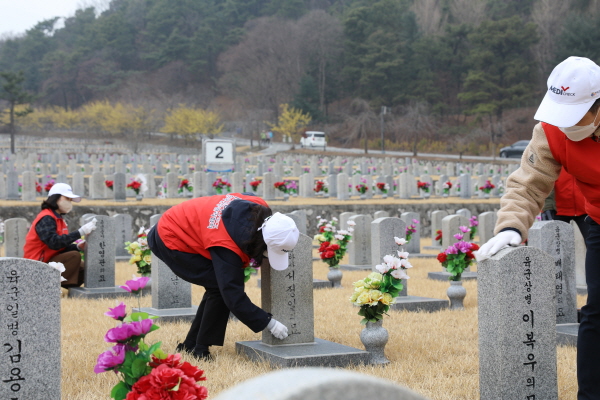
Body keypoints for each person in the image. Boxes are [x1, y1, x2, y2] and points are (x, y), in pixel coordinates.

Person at [476, 56, 600, 400]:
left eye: (575, 116)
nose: (567, 125)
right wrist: (511, 228)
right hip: (599, 221)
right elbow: (527, 184)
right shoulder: (549, 131)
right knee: (597, 312)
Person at [147, 192, 299, 360]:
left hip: (182, 220)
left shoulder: (257, 205)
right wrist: (268, 323)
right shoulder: (228, 246)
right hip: (171, 237)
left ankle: (192, 345)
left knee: (217, 287)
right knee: (219, 288)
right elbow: (233, 295)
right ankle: (200, 350)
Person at [23, 183, 97, 288]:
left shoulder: (58, 218)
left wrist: (77, 247)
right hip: (37, 264)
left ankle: (70, 289)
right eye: (67, 198)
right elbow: (54, 243)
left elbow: (60, 247)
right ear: (55, 198)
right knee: (73, 256)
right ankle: (45, 287)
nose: (69, 202)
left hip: (49, 260)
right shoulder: (46, 217)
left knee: (84, 267)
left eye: (70, 200)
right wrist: (80, 232)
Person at [541, 167, 589, 241]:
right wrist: (547, 206)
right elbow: (544, 181)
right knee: (557, 247)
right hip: (557, 209)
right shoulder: (554, 156)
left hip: (586, 209)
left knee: (595, 245)